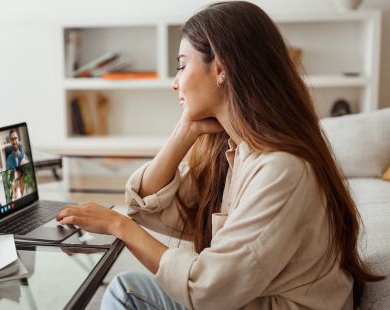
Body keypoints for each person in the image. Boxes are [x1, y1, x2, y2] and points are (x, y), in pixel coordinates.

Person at [55, 2, 384, 309]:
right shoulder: (237, 152)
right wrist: (186, 130)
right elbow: (148, 203)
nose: (175, 83)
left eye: (182, 66)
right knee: (127, 288)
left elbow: (207, 289)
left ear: (221, 69)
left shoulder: (282, 168)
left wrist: (119, 227)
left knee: (127, 291)